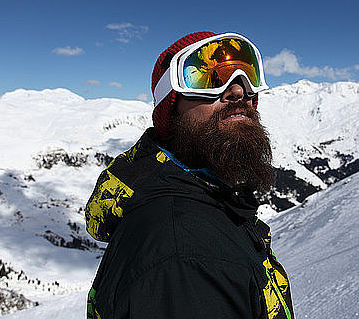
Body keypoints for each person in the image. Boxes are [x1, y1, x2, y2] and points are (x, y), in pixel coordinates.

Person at [85, 31, 294, 319]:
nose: (237, 91)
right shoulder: (185, 258)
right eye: (209, 79)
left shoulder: (205, 198)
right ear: (170, 109)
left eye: (247, 75)